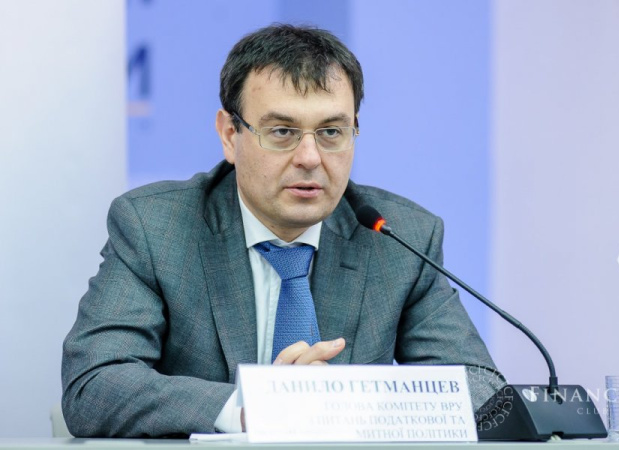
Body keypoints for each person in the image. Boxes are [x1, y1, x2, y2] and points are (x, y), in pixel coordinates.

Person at [61, 24, 505, 438]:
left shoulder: (398, 237)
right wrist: (252, 407)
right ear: (229, 134)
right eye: (282, 131)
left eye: (331, 132)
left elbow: (486, 393)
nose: (310, 157)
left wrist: (345, 404)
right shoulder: (155, 228)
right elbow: (94, 384)